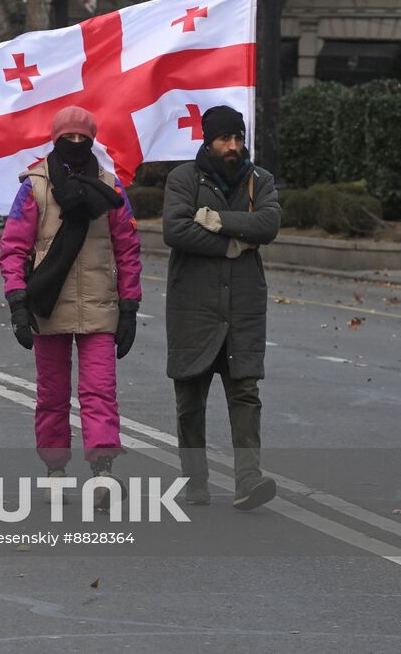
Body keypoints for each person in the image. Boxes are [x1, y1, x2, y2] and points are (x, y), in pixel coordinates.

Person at [0, 106, 142, 507]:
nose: (76, 144)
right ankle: (55, 470)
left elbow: (128, 249)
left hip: (99, 307)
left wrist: (129, 305)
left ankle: (102, 472)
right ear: (56, 138)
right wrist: (16, 299)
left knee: (100, 392)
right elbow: (13, 248)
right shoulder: (35, 186)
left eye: (84, 138)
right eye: (69, 137)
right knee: (52, 394)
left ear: (92, 140)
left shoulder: (111, 188)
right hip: (48, 304)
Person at [163, 104, 281, 511]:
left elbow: (268, 224)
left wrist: (216, 221)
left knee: (245, 392)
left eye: (238, 138)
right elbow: (176, 229)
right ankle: (194, 481)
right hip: (192, 305)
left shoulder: (259, 179)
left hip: (244, 305)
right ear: (208, 140)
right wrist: (235, 243)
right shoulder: (182, 178)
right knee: (190, 397)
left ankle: (248, 480)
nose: (233, 146)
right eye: (225, 139)